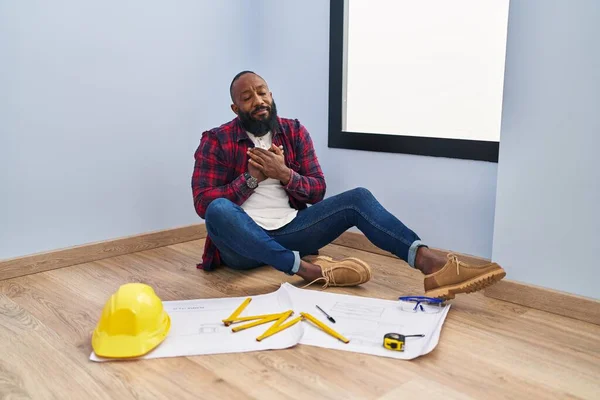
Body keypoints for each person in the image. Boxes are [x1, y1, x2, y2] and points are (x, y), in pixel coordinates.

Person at [190, 71, 506, 300]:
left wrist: (285, 173)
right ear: (236, 108)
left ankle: (430, 264)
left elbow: (317, 190)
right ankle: (308, 272)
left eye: (263, 92)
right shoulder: (217, 140)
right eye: (247, 97)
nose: (258, 100)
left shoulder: (294, 132)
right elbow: (204, 204)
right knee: (219, 209)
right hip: (241, 247)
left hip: (291, 232)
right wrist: (251, 179)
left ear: (271, 95)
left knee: (358, 198)